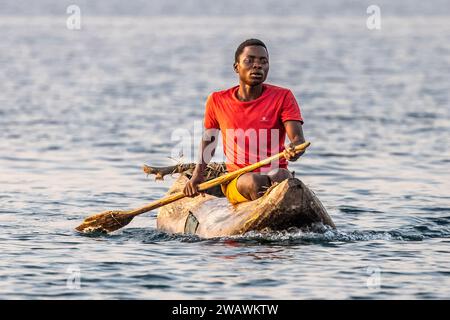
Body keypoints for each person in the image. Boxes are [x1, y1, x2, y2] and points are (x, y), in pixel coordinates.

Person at [183, 39, 305, 204]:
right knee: (255, 182)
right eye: (250, 60)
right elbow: (209, 141)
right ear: (236, 67)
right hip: (238, 179)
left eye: (263, 62)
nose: (257, 65)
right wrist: (197, 176)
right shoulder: (217, 100)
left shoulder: (283, 97)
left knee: (282, 176)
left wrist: (294, 150)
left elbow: (297, 140)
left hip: (275, 172)